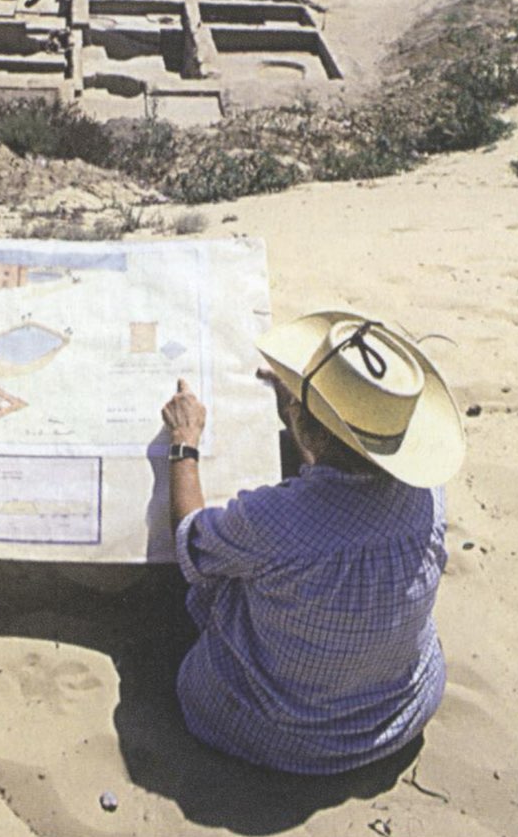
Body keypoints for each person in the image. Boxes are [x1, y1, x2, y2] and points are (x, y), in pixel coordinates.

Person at [164, 310, 466, 775]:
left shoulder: (272, 521)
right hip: (399, 714)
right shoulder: (428, 494)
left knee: (215, 583)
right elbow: (342, 474)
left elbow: (191, 541)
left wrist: (184, 442)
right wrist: (303, 413)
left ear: (306, 424)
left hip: (275, 732)